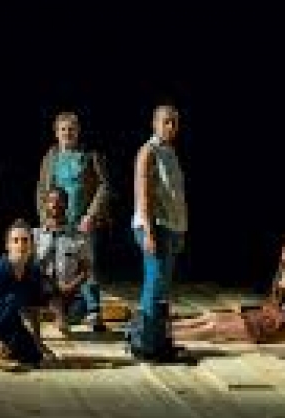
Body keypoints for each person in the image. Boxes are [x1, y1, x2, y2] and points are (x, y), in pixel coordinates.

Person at [172, 231, 285, 344]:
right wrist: (247, 309)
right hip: (267, 314)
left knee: (214, 328)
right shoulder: (284, 266)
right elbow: (274, 301)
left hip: (279, 324)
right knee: (212, 317)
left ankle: (166, 338)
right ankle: (162, 328)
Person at [36, 111, 110, 331]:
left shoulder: (90, 155)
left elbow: (104, 186)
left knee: (87, 264)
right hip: (57, 221)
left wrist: (91, 215)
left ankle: (94, 310)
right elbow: (41, 189)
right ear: (56, 132)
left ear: (78, 131)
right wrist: (45, 218)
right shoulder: (50, 157)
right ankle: (60, 309)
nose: (67, 133)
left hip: (81, 220)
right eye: (63, 129)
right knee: (57, 266)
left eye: (71, 129)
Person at [128, 104, 188, 362]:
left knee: (162, 290)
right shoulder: (148, 151)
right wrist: (149, 231)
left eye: (174, 122)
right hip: (155, 226)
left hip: (171, 227)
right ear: (154, 124)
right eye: (166, 121)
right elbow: (143, 194)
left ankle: (160, 342)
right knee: (153, 287)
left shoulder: (170, 152)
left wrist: (180, 230)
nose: (171, 127)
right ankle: (143, 345)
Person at [0, 219, 49, 371]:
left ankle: (5, 348)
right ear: (8, 245)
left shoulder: (33, 272)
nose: (20, 245)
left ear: (32, 245)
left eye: (25, 240)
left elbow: (33, 309)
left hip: (10, 321)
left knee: (35, 357)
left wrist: (38, 340)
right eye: (15, 240)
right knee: (9, 301)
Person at [33, 186, 93, 336]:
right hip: (42, 289)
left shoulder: (78, 237)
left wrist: (69, 287)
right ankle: (57, 315)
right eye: (51, 201)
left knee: (80, 309)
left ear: (66, 205)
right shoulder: (35, 235)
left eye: (59, 201)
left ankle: (55, 313)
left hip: (68, 292)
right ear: (45, 204)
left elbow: (86, 270)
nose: (55, 204)